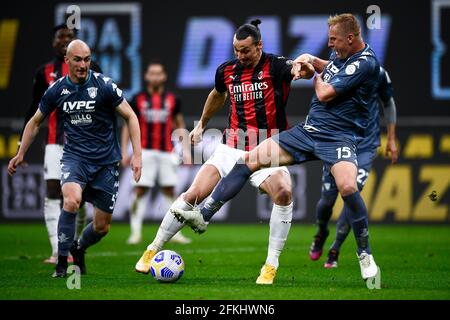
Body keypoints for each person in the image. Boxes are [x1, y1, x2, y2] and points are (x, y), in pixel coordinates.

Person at [175, 13, 382, 281]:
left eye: (334, 39)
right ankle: (204, 214)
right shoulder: (342, 58)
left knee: (348, 187)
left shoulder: (366, 63)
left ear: (350, 38)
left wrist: (314, 72)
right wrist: (309, 59)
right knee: (249, 159)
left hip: (339, 138)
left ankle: (364, 255)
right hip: (308, 131)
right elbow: (328, 65)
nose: (330, 44)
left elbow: (325, 92)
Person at [134, 19, 314, 285]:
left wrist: (304, 69)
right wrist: (201, 125)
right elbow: (217, 95)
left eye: (245, 50)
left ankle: (270, 265)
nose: (239, 55)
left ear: (259, 46)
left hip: (267, 148)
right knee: (194, 194)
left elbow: (304, 70)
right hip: (232, 146)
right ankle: (152, 248)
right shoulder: (227, 71)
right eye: (236, 50)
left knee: (284, 193)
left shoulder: (276, 66)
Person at [8, 39, 142, 278]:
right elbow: (35, 121)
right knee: (71, 202)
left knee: (102, 227)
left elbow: (131, 117)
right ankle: (62, 262)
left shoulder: (104, 85)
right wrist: (20, 153)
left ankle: (78, 248)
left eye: (87, 59)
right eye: (78, 59)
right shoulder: (58, 89)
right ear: (67, 60)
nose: (83, 64)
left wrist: (136, 156)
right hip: (75, 158)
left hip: (105, 163)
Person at [19, 24, 102, 264]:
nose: (64, 39)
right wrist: (20, 146)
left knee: (80, 197)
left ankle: (74, 245)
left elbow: (105, 107)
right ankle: (58, 250)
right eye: (60, 37)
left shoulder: (93, 69)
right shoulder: (43, 72)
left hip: (86, 144)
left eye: (69, 36)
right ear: (55, 43)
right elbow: (34, 109)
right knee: (54, 192)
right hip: (55, 142)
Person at [308, 66, 398, 268]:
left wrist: (391, 139)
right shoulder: (336, 69)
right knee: (326, 201)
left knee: (351, 193)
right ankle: (321, 231)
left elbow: (388, 102)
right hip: (338, 142)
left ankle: (335, 249)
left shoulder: (378, 72)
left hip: (365, 144)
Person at [121, 60, 191, 245]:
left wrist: (186, 150)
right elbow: (128, 125)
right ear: (146, 76)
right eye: (152, 73)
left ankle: (175, 233)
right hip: (144, 151)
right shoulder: (137, 99)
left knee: (170, 190)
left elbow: (179, 123)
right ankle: (135, 233)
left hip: (167, 152)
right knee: (140, 190)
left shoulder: (173, 99)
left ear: (164, 76)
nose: (155, 76)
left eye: (158, 73)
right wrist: (125, 151)